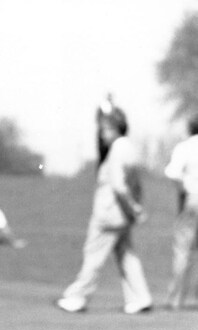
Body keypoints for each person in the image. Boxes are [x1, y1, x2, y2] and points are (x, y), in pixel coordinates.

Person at [56, 107, 152, 314]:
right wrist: (135, 208)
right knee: (127, 256)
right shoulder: (130, 148)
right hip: (122, 216)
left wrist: (133, 208)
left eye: (105, 129)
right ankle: (140, 297)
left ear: (115, 128)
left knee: (93, 255)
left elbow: (119, 185)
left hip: (109, 215)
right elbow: (135, 184)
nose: (102, 134)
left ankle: (77, 296)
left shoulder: (117, 150)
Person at [161, 115, 198, 310]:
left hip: (192, 198)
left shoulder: (185, 148)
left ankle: (175, 299)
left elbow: (173, 172)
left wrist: (182, 189)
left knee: (183, 250)